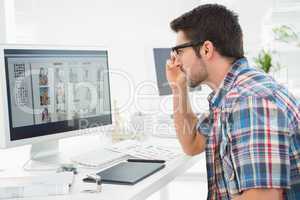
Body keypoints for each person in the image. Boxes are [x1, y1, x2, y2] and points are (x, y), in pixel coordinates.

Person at [166, 4, 300, 200]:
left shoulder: (250, 101)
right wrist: (178, 87)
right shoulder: (229, 96)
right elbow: (192, 143)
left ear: (206, 49)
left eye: (179, 51)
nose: (176, 62)